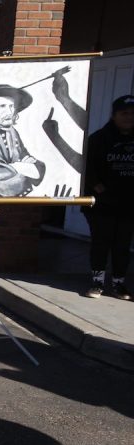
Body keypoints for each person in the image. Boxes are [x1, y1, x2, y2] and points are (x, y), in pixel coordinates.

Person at [82, 94, 134, 300]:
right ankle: (97, 282)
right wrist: (99, 187)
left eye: (132, 114)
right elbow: (86, 167)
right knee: (101, 242)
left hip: (129, 203)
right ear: (114, 115)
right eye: (124, 113)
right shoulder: (99, 139)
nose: (129, 117)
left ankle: (119, 283)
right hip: (102, 203)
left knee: (123, 244)